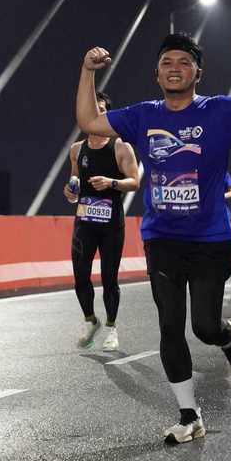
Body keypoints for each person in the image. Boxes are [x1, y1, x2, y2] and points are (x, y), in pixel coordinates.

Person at [76, 31, 231, 444]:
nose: (175, 68)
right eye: (167, 62)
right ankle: (189, 416)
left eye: (184, 62)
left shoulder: (220, 110)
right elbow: (88, 121)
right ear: (157, 74)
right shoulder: (143, 115)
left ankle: (230, 338)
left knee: (204, 327)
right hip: (161, 237)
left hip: (210, 238)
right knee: (170, 326)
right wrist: (87, 71)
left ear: (198, 73)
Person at [65, 90, 141, 351]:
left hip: (111, 225)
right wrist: (70, 192)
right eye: (92, 109)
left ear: (108, 114)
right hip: (84, 223)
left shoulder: (121, 147)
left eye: (101, 109)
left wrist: (112, 182)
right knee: (80, 277)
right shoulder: (77, 149)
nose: (95, 113)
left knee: (109, 279)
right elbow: (74, 183)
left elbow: (135, 181)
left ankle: (111, 327)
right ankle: (90, 320)